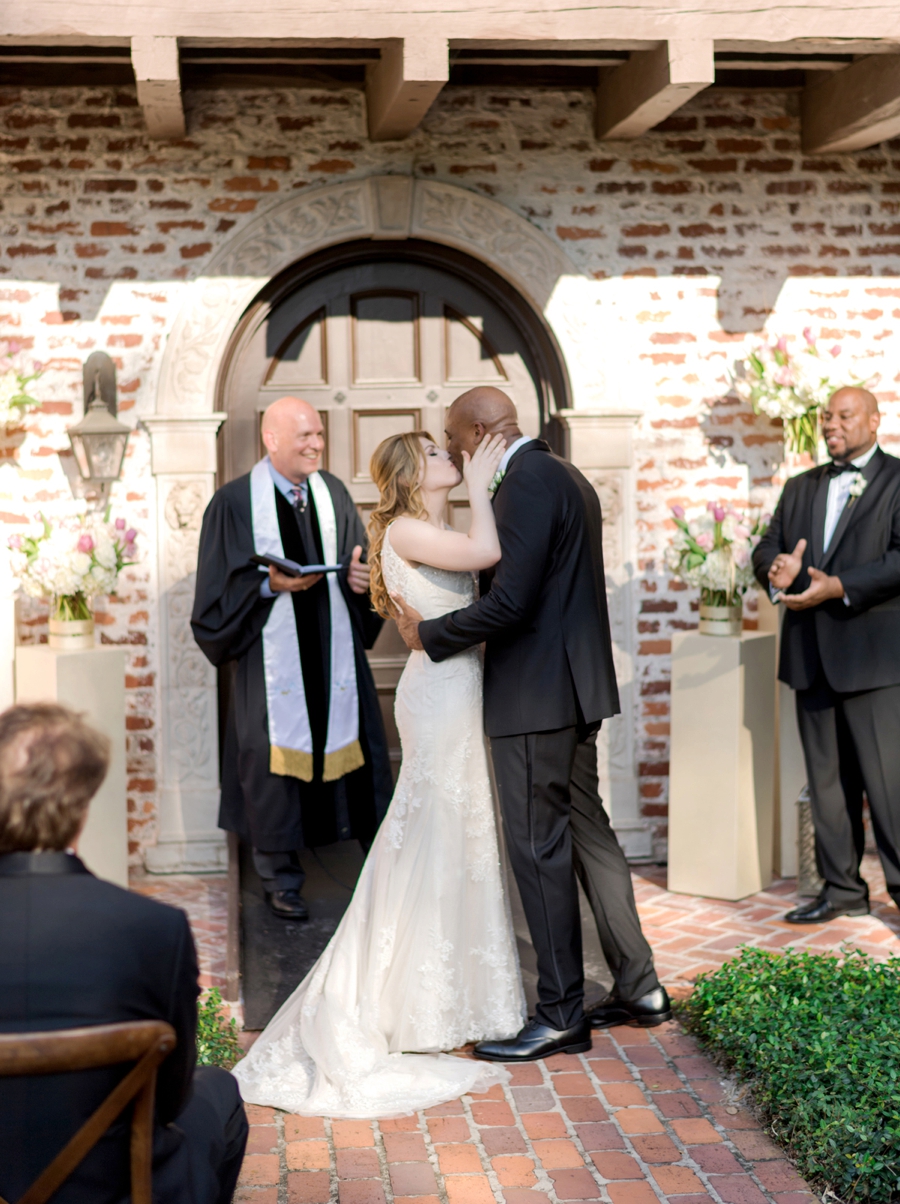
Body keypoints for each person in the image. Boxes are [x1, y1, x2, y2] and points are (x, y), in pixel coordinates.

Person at [232, 429, 525, 1118]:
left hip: (454, 685)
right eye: (436, 452)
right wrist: (486, 485)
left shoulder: (422, 526)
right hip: (445, 693)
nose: (449, 456)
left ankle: (450, 996)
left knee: (452, 839)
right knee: (434, 836)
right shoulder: (411, 531)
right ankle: (409, 1001)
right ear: (411, 473)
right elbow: (488, 554)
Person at [393, 387, 670, 1063]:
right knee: (589, 835)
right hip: (573, 689)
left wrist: (428, 633)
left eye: (456, 439)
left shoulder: (521, 483)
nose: (455, 450)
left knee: (539, 849)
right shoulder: (565, 473)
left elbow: (512, 603)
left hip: (532, 699)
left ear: (482, 431)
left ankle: (559, 1014)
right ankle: (641, 986)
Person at [0, 702, 247, 1204]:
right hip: (114, 1184)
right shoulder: (154, 928)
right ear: (83, 807)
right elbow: (171, 1098)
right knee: (218, 1092)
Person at [191, 396, 393, 920]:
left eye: (320, 435)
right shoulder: (234, 504)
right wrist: (266, 584)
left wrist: (360, 581)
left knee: (354, 750)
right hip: (270, 661)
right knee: (269, 764)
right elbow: (215, 593)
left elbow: (356, 563)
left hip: (334, 653)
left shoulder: (334, 494)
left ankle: (372, 870)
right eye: (304, 435)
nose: (316, 444)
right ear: (271, 438)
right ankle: (281, 878)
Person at [753, 386, 900, 924]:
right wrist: (778, 570)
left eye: (845, 415)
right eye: (826, 416)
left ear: (874, 420)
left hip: (877, 663)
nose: (832, 424)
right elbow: (766, 547)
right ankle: (842, 891)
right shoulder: (799, 487)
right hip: (810, 656)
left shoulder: (898, 479)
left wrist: (838, 585)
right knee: (827, 783)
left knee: (891, 788)